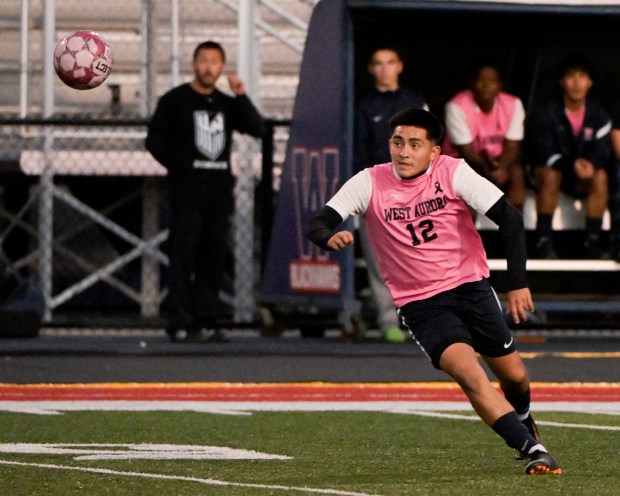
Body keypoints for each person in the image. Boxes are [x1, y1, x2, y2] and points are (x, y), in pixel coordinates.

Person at [306, 108, 561, 475]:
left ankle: (524, 418)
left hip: (471, 287)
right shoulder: (369, 182)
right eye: (397, 142)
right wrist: (330, 237)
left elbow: (509, 216)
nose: (404, 152)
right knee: (470, 375)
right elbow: (319, 222)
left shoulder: (453, 171)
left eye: (414, 144)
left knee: (516, 376)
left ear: (434, 151)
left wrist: (517, 283)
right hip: (421, 303)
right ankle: (533, 449)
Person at [145, 40, 266, 342]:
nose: (208, 67)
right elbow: (154, 140)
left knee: (211, 259)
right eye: (203, 60)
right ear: (194, 64)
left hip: (218, 195)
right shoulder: (175, 100)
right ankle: (179, 318)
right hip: (186, 194)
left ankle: (206, 318)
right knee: (183, 255)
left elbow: (257, 128)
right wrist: (178, 166)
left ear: (221, 67)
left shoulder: (226, 103)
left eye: (214, 61)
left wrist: (241, 95)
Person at [354, 46, 428, 343]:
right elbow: (358, 150)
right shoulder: (364, 105)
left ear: (399, 65)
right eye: (377, 64)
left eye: (389, 63)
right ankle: (388, 322)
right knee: (379, 261)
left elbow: (430, 145)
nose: (384, 69)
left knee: (417, 258)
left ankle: (419, 321)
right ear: (371, 69)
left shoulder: (413, 102)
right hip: (377, 193)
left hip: (414, 193)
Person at [525, 53, 612, 259]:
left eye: (582, 77)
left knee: (600, 176)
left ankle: (592, 242)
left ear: (589, 83)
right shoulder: (546, 112)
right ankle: (543, 241)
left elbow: (603, 150)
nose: (576, 83)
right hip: (551, 172)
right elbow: (542, 151)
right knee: (551, 174)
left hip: (581, 175)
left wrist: (591, 165)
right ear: (562, 81)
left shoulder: (598, 115)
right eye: (571, 77)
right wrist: (571, 164)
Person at [442, 61, 527, 212]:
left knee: (517, 173)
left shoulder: (513, 103)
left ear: (500, 85)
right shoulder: (456, 105)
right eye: (481, 80)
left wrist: (500, 168)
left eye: (492, 80)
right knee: (468, 179)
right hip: (465, 163)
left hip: (498, 163)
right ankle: (467, 234)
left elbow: (513, 147)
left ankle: (514, 232)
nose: (486, 85)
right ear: (472, 84)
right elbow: (467, 152)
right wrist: (489, 170)